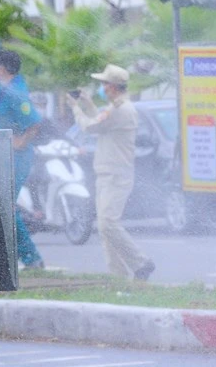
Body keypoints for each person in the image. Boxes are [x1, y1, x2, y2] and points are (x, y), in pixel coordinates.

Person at [67, 64, 155, 280]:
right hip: (108, 173)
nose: (102, 87)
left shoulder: (121, 109)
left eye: (105, 83)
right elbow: (101, 123)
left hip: (116, 174)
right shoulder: (117, 107)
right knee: (105, 229)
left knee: (108, 223)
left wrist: (76, 108)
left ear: (113, 87)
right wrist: (87, 104)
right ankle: (119, 277)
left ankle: (141, 263)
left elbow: (90, 127)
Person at [0, 50, 45, 270]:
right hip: (6, 156)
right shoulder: (4, 87)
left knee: (7, 206)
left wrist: (20, 142)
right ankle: (24, 258)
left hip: (18, 157)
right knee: (4, 205)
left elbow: (34, 121)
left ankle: (32, 259)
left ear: (2, 68)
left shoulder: (15, 93)